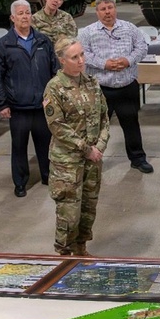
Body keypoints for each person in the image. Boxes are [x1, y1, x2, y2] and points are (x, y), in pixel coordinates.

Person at [43, 37, 110, 256]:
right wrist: (86, 148)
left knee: (88, 209)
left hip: (93, 159)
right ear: (62, 60)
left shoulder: (91, 82)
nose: (81, 60)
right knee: (69, 214)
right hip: (67, 163)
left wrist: (99, 145)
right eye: (74, 57)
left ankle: (81, 249)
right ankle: (63, 255)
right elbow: (58, 127)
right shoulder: (54, 88)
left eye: (82, 55)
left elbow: (104, 117)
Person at [0, 0, 59, 197]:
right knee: (19, 147)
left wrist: (54, 97)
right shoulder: (3, 45)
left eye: (27, 12)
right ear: (12, 18)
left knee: (45, 144)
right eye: (20, 13)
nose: (25, 16)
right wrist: (1, 103)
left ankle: (47, 176)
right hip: (18, 108)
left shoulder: (43, 41)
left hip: (42, 106)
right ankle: (20, 183)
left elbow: (55, 71)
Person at [79, 0, 152, 173]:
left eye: (109, 8)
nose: (107, 12)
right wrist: (104, 64)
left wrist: (128, 60)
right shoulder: (87, 32)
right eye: (102, 9)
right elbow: (82, 53)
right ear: (96, 12)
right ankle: (92, 160)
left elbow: (142, 47)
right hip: (100, 90)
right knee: (95, 128)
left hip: (127, 87)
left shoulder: (129, 28)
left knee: (131, 124)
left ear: (115, 9)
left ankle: (137, 158)